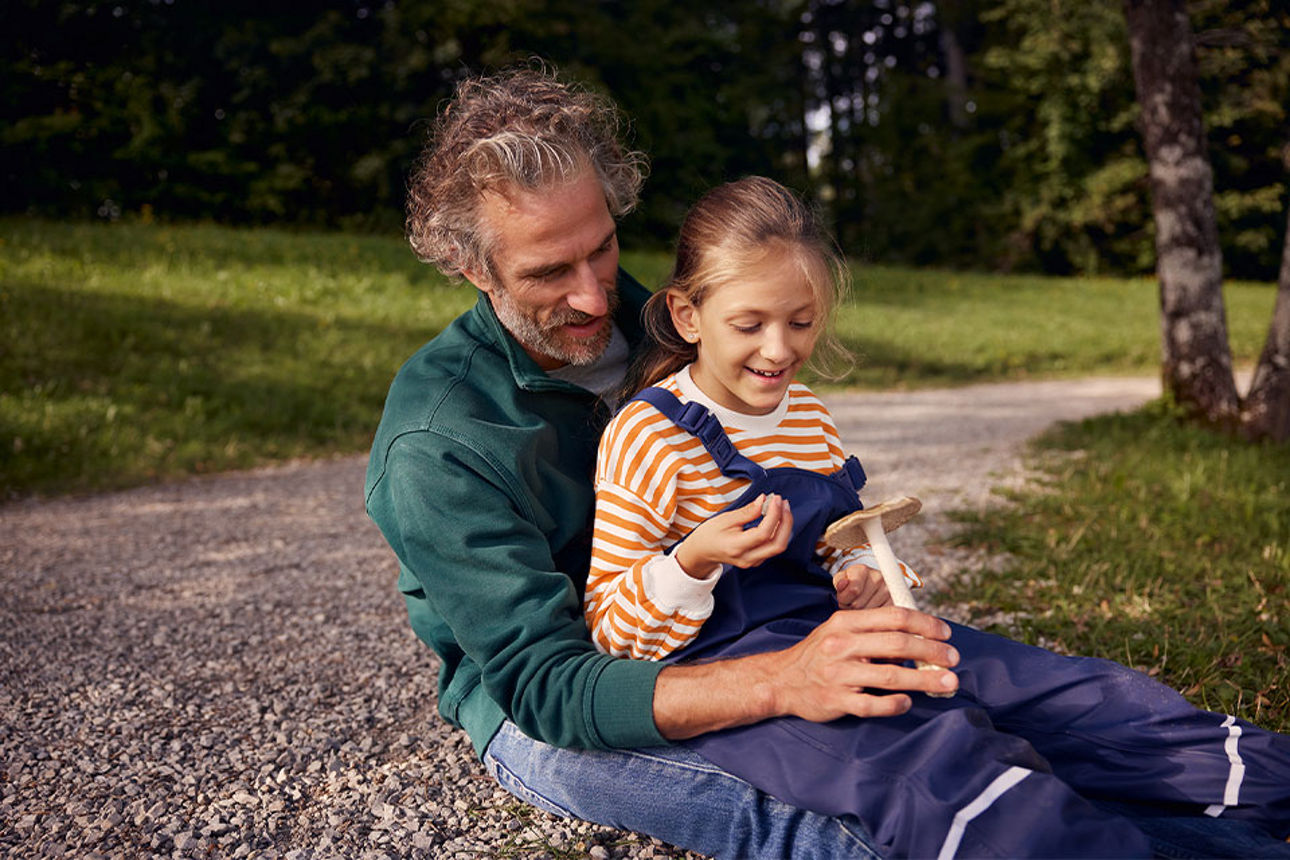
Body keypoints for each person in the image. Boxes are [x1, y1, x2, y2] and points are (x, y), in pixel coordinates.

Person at [365, 65, 1290, 858]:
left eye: (602, 247)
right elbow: (549, 686)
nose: (591, 292)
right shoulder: (438, 444)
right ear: (473, 269)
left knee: (1026, 713)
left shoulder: (675, 323)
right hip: (569, 697)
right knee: (863, 819)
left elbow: (792, 486)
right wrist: (785, 679)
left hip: (756, 623)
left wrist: (847, 583)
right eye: (545, 274)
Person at [582, 175, 1290, 857]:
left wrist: (859, 571)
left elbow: (836, 544)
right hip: (743, 674)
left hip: (842, 630)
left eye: (801, 322)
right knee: (935, 760)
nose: (780, 349)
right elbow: (613, 633)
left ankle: (1263, 783)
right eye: (750, 324)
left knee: (1056, 692)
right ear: (686, 315)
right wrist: (694, 559)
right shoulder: (651, 437)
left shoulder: (808, 418)